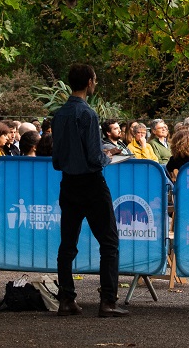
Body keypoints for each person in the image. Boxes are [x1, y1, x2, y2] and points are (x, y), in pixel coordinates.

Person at [53, 63, 127, 318]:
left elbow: (56, 159)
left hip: (68, 183)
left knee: (68, 243)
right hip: (92, 184)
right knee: (109, 243)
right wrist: (108, 156)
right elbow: (95, 158)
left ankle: (66, 299)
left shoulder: (59, 114)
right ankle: (108, 300)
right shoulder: (88, 114)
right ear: (88, 82)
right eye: (94, 80)